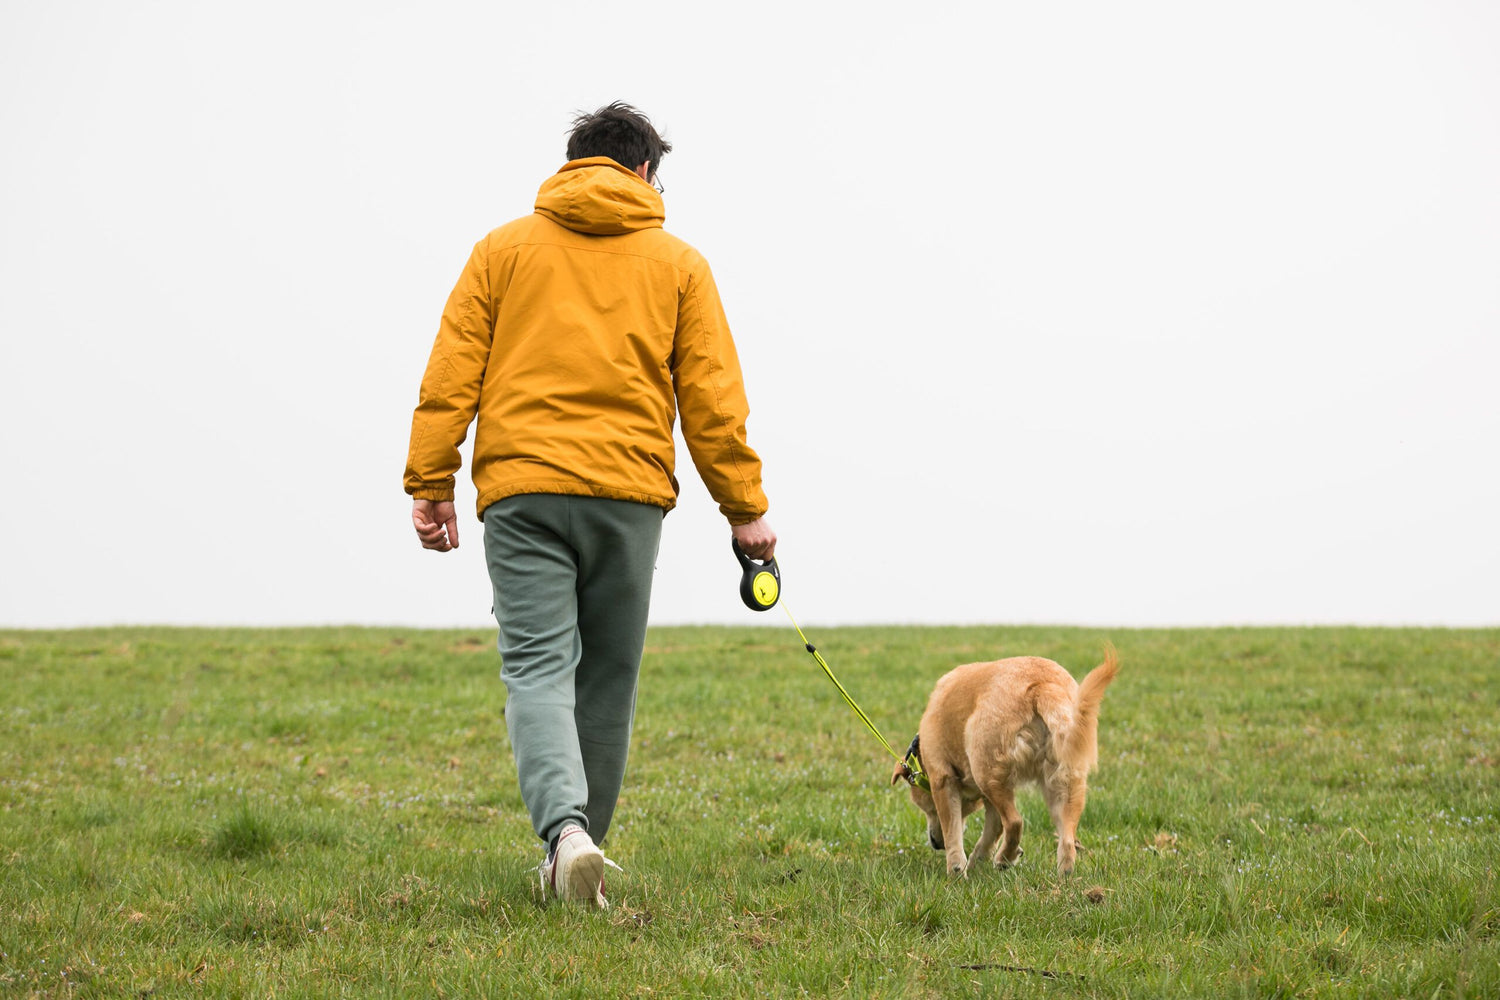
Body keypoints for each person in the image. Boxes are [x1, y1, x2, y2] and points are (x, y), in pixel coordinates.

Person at [403, 102, 775, 909]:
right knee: (607, 677)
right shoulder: (680, 264)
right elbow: (713, 401)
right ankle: (578, 855)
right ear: (643, 172)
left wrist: (431, 481)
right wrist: (744, 509)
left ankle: (567, 841)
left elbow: (450, 373)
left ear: (573, 164)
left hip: (523, 491)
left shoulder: (501, 251)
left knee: (538, 667)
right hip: (626, 497)